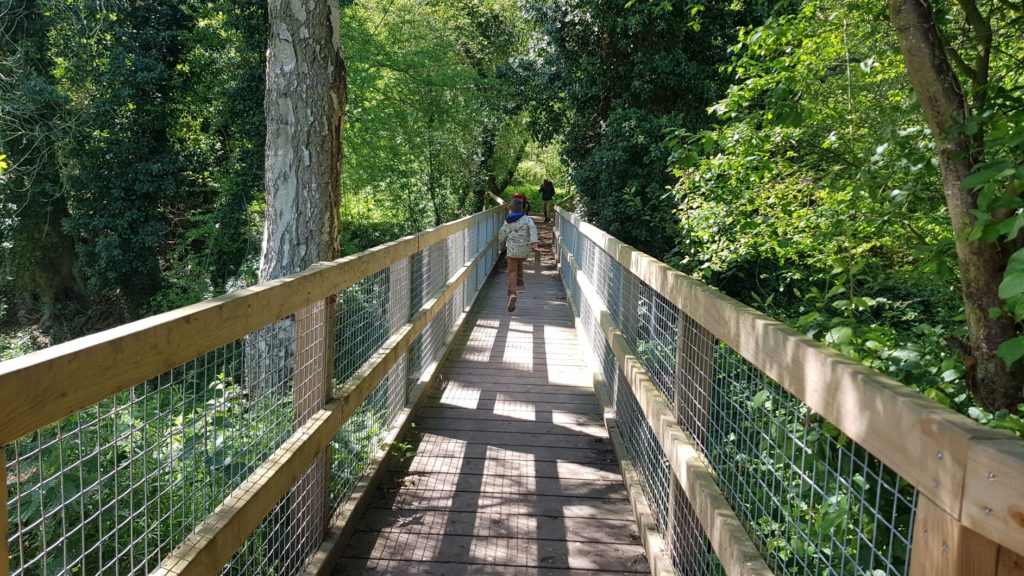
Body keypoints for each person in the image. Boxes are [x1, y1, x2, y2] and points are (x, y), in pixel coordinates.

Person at [498, 197, 539, 312]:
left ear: (510, 210)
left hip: (512, 250)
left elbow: (502, 234)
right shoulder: (527, 219)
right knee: (519, 262)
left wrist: (500, 241)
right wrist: (534, 242)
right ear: (522, 210)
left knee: (512, 272)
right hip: (524, 250)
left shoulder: (507, 221)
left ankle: (512, 294)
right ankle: (520, 285)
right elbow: (533, 229)